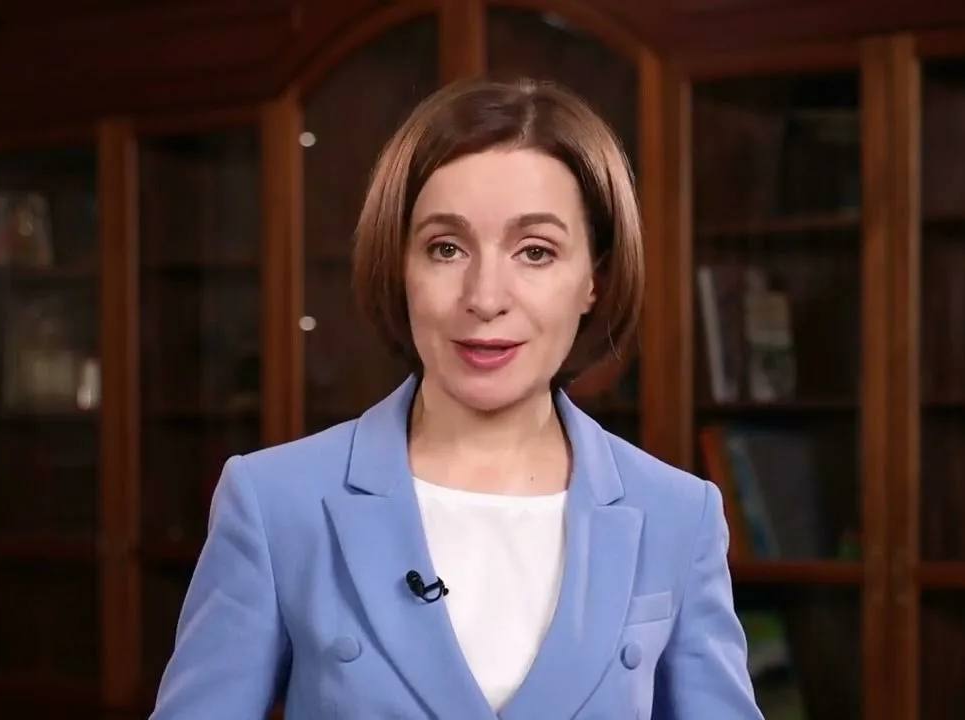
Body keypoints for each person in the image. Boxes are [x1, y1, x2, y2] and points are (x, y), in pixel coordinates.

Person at [151, 78, 762, 720]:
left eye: (535, 251)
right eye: (446, 248)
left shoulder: (677, 513)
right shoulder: (275, 503)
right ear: (400, 267)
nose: (485, 297)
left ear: (594, 279)